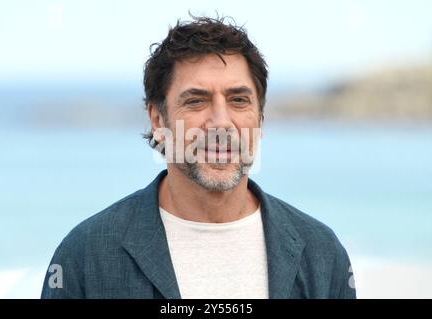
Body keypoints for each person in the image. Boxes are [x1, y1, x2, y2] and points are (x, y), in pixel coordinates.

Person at [41, 16, 356, 299]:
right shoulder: (85, 256)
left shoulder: (321, 254)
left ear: (259, 119)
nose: (220, 122)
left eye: (238, 100)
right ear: (158, 120)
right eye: (196, 101)